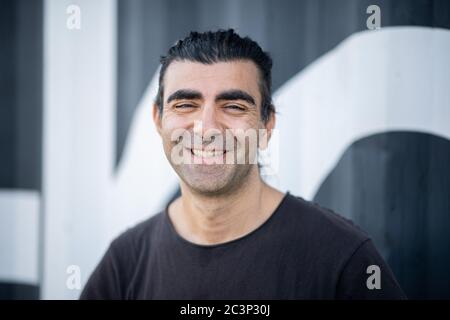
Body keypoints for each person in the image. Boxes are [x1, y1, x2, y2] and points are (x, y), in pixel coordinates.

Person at [80, 29, 406, 299]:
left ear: (266, 126)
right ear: (158, 119)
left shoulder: (342, 258)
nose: (206, 128)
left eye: (234, 106)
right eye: (185, 104)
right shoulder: (124, 264)